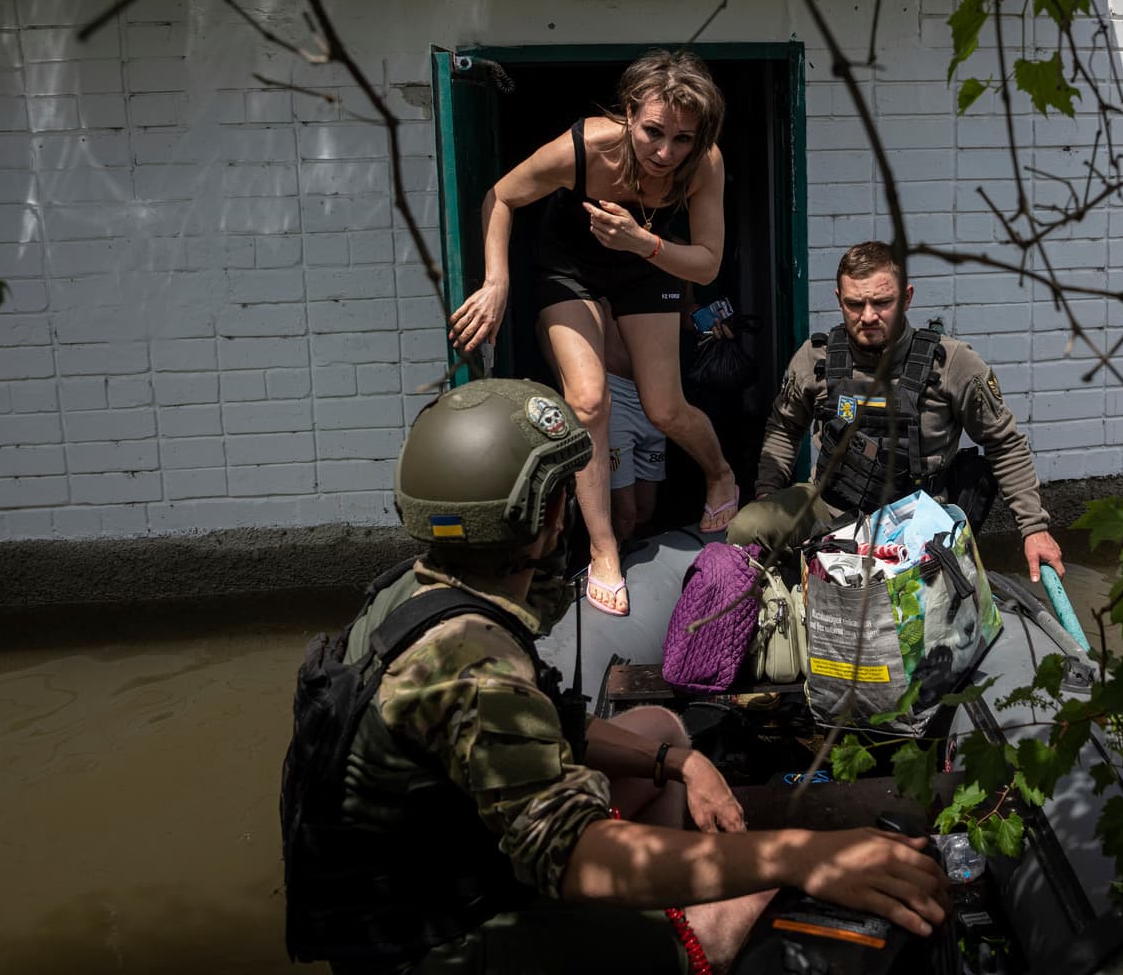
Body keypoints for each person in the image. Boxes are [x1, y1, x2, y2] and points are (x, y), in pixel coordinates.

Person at [280, 378, 948, 974]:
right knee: (745, 893)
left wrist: (675, 762)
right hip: (432, 944)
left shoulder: (411, 592)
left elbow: (545, 721)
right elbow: (571, 854)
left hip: (437, 868)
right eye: (559, 493)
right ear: (532, 515)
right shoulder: (473, 659)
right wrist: (799, 855)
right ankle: (681, 942)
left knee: (661, 726)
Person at [449, 50, 741, 618]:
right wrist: (495, 281)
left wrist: (642, 243)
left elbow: (706, 265)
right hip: (569, 267)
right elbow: (502, 197)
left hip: (647, 262)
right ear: (629, 113)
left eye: (682, 139)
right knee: (587, 400)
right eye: (653, 132)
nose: (664, 153)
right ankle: (604, 549)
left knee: (663, 409)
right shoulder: (584, 147)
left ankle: (721, 472)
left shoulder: (704, 164)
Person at [741, 241, 1067, 584]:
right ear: (839, 299)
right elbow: (784, 426)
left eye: (882, 303)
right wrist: (767, 495)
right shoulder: (815, 358)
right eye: (855, 304)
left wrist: (1034, 528)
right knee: (748, 528)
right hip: (830, 507)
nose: (868, 316)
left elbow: (1005, 443)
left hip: (917, 522)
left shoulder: (954, 364)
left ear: (907, 297)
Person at [604, 322, 664, 545]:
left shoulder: (679, 284)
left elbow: (686, 314)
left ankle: (633, 566)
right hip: (616, 392)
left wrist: (709, 321)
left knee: (645, 509)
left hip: (658, 391)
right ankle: (608, 571)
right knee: (625, 515)